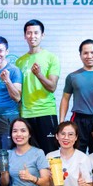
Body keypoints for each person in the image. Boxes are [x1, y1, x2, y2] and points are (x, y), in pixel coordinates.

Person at [16, 19, 61, 153]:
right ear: (25, 36)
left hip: (46, 112)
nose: (32, 36)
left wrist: (39, 74)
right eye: (29, 33)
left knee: (51, 154)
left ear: (42, 35)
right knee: (28, 155)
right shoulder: (19, 62)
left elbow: (52, 87)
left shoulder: (51, 58)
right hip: (26, 114)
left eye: (36, 33)